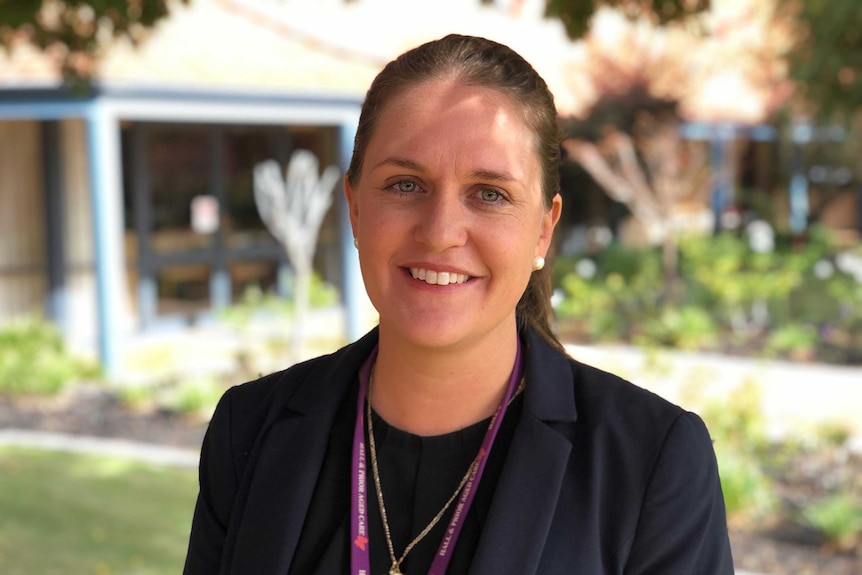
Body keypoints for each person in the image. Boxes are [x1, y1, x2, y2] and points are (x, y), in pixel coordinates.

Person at [183, 34, 734, 575]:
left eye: (489, 193)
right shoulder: (249, 430)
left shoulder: (650, 464)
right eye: (404, 184)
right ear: (354, 209)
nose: (441, 231)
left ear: (544, 230)